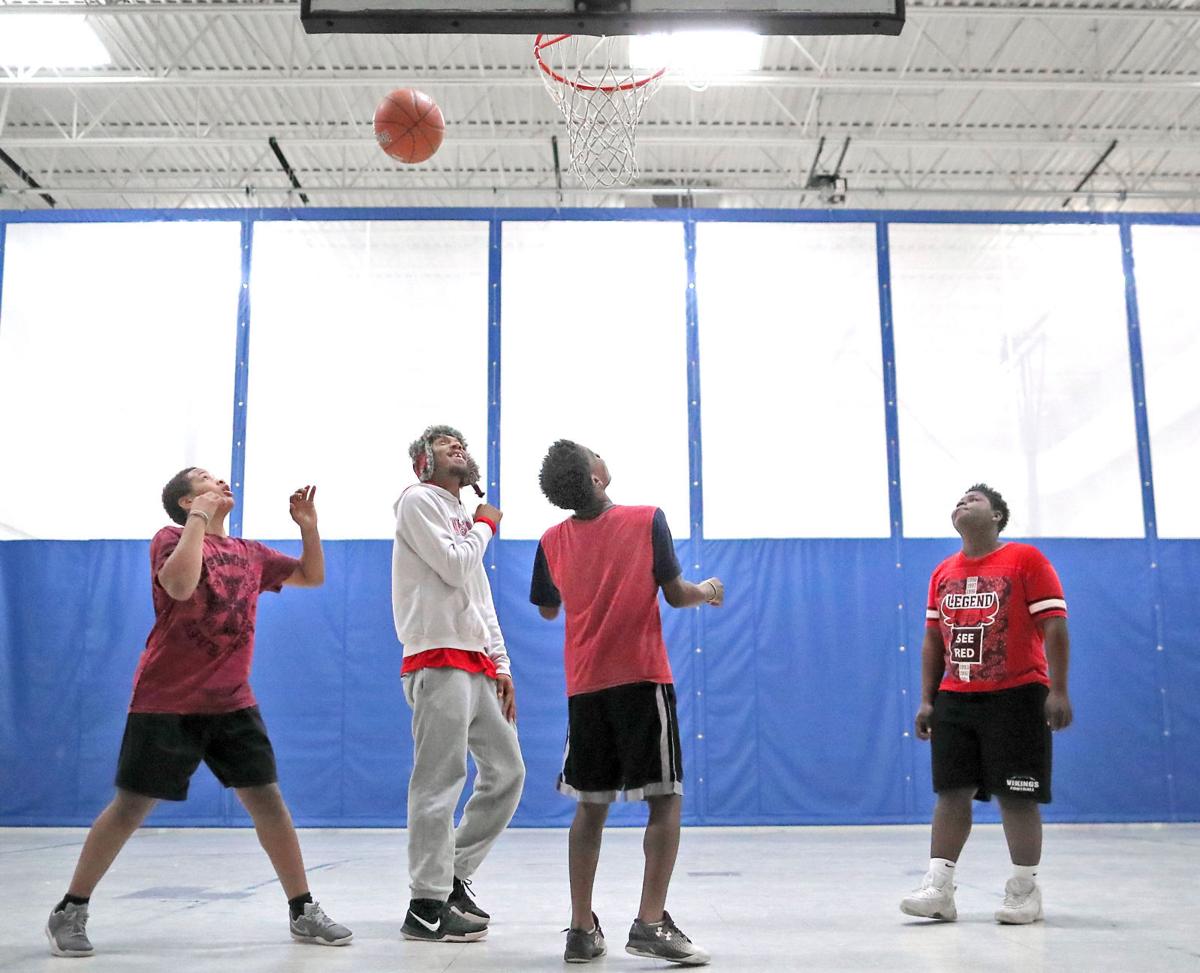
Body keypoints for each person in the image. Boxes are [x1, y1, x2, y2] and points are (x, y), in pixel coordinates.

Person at [45, 468, 352, 958]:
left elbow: (311, 577)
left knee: (268, 800)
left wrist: (308, 528)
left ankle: (302, 909)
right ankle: (71, 908)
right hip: (167, 700)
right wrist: (197, 523)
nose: (222, 483)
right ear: (188, 502)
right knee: (131, 807)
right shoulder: (169, 539)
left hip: (232, 700)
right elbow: (182, 587)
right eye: (208, 481)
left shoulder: (251, 553)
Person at [530, 439, 723, 966]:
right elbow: (678, 593)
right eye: (595, 452)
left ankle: (580, 930)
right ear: (595, 477)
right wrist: (708, 588)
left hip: (585, 686)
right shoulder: (646, 519)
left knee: (591, 806)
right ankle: (651, 923)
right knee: (665, 799)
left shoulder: (550, 541)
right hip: (641, 679)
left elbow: (549, 610)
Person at [901, 483, 1072, 925]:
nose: (962, 502)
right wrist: (926, 699)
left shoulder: (1025, 560)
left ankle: (1023, 890)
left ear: (997, 516)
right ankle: (939, 887)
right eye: (958, 499)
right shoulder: (943, 572)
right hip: (956, 698)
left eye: (974, 499)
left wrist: (1058, 689)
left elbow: (1054, 625)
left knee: (1016, 795)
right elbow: (933, 640)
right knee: (950, 792)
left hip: (1017, 694)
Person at [391, 424, 525, 944]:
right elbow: (453, 566)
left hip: (475, 664)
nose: (460, 451)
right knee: (439, 780)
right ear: (424, 462)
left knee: (508, 772)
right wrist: (485, 527)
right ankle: (425, 906)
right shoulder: (418, 501)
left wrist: (504, 665)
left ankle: (450, 876)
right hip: (436, 657)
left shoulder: (464, 521)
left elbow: (481, 601)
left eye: (462, 446)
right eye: (447, 446)